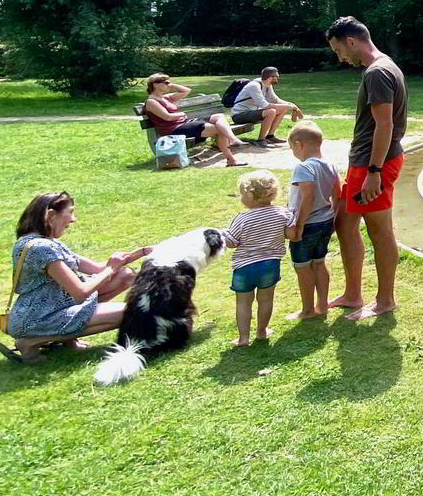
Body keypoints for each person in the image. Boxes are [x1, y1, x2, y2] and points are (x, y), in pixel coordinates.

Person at [0, 192, 150, 364]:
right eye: (69, 212)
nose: (73, 219)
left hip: (52, 305)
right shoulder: (41, 248)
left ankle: (66, 337)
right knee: (131, 312)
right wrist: (110, 268)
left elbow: (98, 268)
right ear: (50, 216)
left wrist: (144, 252)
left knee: (124, 276)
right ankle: (29, 342)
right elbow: (80, 292)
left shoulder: (42, 241)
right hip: (38, 318)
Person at [325, 15, 408, 321]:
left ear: (351, 41)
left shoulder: (378, 72)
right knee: (344, 224)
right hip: (364, 161)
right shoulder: (383, 67)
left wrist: (374, 172)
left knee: (379, 231)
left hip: (375, 164)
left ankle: (385, 300)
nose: (341, 58)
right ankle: (352, 294)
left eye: (339, 51)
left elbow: (384, 125)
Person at [223, 171, 295, 346]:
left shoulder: (241, 219)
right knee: (265, 299)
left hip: (244, 268)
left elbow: (231, 242)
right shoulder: (283, 213)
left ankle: (243, 338)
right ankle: (262, 331)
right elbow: (290, 233)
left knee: (243, 302)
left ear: (250, 195)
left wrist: (223, 235)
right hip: (270, 265)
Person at [285, 122, 339, 320]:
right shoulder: (330, 165)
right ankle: (322, 305)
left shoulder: (303, 167)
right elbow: (337, 195)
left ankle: (307, 310)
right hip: (325, 221)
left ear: (299, 144)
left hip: (307, 225)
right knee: (319, 263)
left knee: (302, 267)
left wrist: (298, 224)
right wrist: (333, 217)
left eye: (292, 148)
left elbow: (307, 196)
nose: (293, 152)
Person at [142, 74, 248, 167]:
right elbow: (167, 117)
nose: (168, 84)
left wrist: (172, 85)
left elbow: (186, 90)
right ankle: (231, 160)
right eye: (165, 82)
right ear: (155, 85)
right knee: (218, 130)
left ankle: (233, 140)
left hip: (184, 123)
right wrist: (182, 114)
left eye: (168, 82)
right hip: (174, 129)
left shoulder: (165, 97)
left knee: (219, 116)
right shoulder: (152, 102)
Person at [230, 66, 302, 145]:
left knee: (282, 109)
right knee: (271, 111)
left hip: (251, 112)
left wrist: (290, 104)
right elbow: (264, 105)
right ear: (270, 77)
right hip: (239, 115)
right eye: (277, 77)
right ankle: (260, 140)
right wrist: (287, 106)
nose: (278, 78)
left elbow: (275, 100)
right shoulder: (254, 86)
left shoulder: (267, 85)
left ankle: (270, 136)